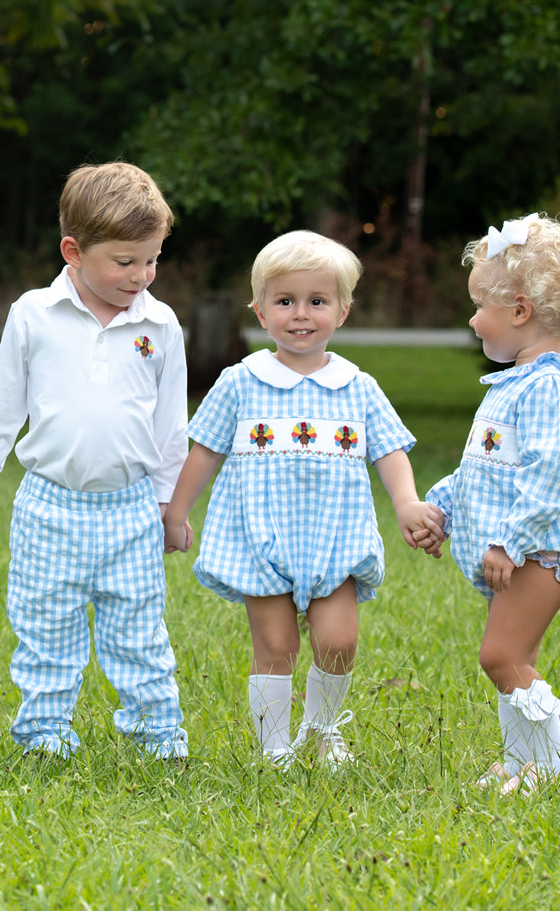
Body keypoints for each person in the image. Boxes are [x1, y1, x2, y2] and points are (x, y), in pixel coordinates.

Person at [162, 231, 444, 767]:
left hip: (334, 535)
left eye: (317, 301)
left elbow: (389, 450)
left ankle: (322, 730)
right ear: (260, 311)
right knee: (277, 648)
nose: (301, 314)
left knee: (338, 643)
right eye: (285, 301)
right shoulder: (240, 382)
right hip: (259, 537)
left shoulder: (356, 385)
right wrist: (177, 511)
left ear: (342, 310)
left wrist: (406, 502)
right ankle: (274, 748)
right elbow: (204, 452)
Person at [0, 161, 189, 760]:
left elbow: (169, 426)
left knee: (138, 629)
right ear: (74, 251)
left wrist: (171, 503)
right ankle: (45, 732)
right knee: (45, 625)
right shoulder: (36, 314)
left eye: (152, 259)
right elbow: (2, 405)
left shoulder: (159, 324)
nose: (142, 275)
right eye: (126, 261)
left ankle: (156, 730)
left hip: (131, 508)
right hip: (49, 504)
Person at [423, 213, 560, 794]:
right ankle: (519, 760)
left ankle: (553, 768)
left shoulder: (552, 387)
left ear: (520, 311)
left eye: (480, 304)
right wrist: (442, 509)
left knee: (500, 654)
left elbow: (554, 475)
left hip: (541, 551)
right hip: (519, 550)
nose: (473, 317)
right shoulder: (516, 383)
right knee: (512, 656)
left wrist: (512, 539)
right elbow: (483, 471)